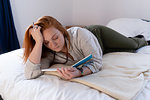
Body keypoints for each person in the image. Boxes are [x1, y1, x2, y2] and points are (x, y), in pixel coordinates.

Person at [23, 16, 148, 80]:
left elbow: (97, 62)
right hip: (96, 49)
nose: (53, 44)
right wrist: (39, 42)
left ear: (62, 30)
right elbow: (30, 73)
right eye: (46, 42)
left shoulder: (79, 34)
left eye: (55, 37)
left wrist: (79, 72)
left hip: (99, 36)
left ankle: (142, 39)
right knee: (117, 50)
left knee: (132, 46)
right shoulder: (49, 51)